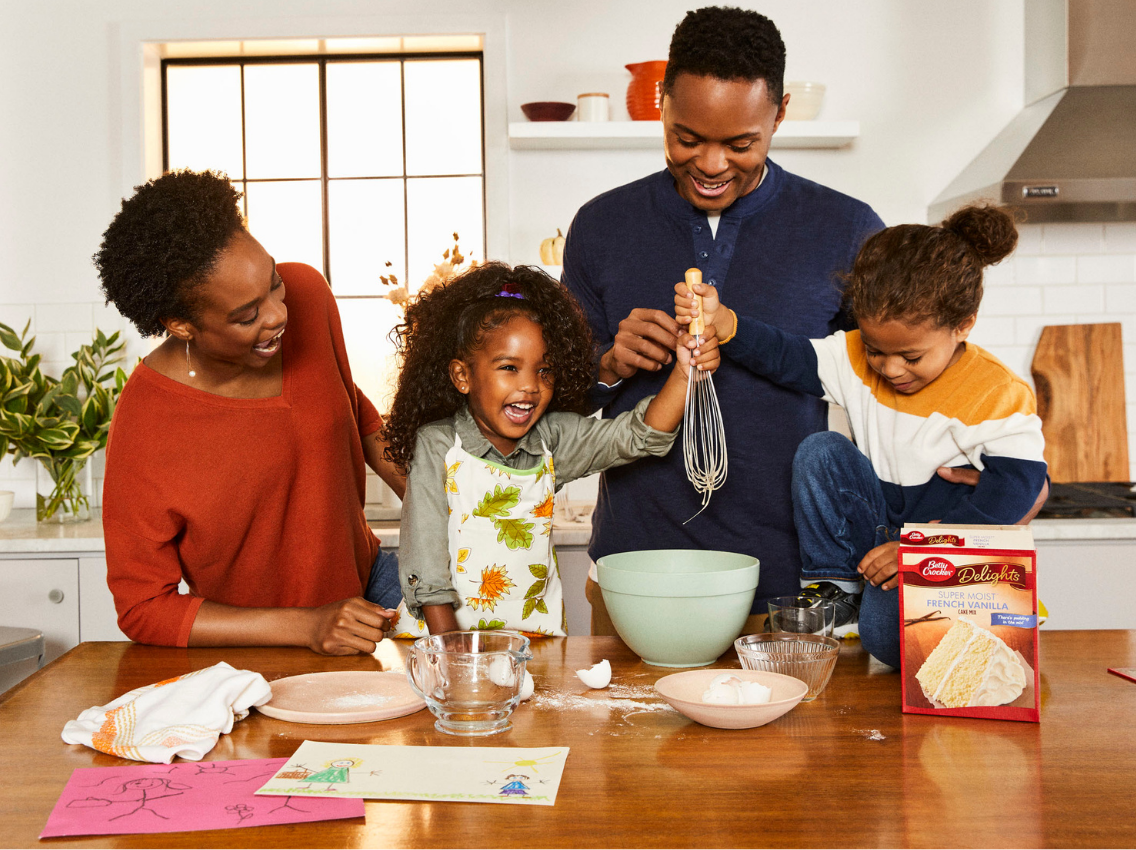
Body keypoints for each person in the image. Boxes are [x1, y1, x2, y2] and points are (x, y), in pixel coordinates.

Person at [562, 6, 886, 632]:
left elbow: (887, 382)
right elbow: (557, 407)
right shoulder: (601, 226)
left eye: (741, 144)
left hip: (793, 589)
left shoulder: (845, 228)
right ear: (660, 103)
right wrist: (607, 363)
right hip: (635, 572)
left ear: (780, 114)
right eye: (688, 138)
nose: (712, 165)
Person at [675, 203, 1049, 667]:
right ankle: (836, 589)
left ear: (963, 324)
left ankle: (892, 618)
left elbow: (1021, 485)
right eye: (876, 351)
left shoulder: (996, 391)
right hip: (882, 529)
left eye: (911, 357)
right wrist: (726, 323)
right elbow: (788, 357)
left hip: (947, 548)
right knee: (822, 450)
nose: (891, 369)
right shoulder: (853, 357)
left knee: (884, 640)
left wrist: (927, 547)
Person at [95, 169, 406, 654]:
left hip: (378, 591)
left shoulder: (308, 296)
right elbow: (143, 608)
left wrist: (438, 501)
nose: (278, 313)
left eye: (274, 282)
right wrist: (309, 627)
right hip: (254, 643)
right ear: (180, 325)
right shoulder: (148, 423)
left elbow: (349, 404)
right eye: (246, 316)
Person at [381, 263, 718, 636]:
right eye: (509, 367)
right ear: (462, 376)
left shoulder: (551, 439)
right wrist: (455, 657)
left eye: (544, 371)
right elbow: (426, 566)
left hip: (533, 645)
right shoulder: (438, 445)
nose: (530, 386)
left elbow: (638, 435)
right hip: (443, 644)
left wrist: (685, 373)